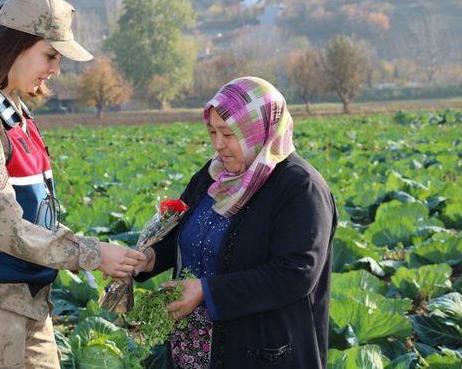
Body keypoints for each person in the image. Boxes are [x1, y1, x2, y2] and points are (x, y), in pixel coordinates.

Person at [0, 0, 146, 368]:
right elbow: (1, 226)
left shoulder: (9, 108)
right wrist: (92, 254)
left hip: (25, 301)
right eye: (50, 55)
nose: (56, 69)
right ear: (15, 45)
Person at [134, 77, 337, 368]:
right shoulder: (213, 175)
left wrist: (208, 290)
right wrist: (149, 258)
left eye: (229, 134)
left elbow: (296, 273)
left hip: (263, 353)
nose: (218, 145)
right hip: (194, 350)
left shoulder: (300, 187)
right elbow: (185, 234)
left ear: (258, 129)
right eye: (212, 132)